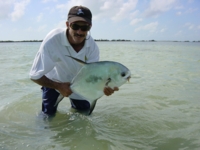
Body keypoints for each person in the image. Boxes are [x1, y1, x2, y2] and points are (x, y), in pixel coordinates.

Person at [29, 6, 118, 117]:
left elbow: (92, 77)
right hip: (53, 81)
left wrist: (102, 87)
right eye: (75, 26)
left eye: (84, 27)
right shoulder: (53, 40)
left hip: (80, 85)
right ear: (67, 25)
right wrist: (58, 86)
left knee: (84, 116)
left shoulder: (92, 47)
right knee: (47, 116)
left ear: (90, 27)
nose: (79, 32)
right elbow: (34, 75)